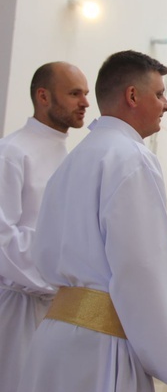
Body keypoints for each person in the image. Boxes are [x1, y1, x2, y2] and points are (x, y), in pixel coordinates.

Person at [17, 50, 167, 391]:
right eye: (159, 94)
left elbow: (42, 251)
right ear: (132, 96)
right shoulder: (131, 157)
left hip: (53, 336)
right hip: (102, 345)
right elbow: (142, 268)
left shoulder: (75, 159)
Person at [0, 61, 89, 392]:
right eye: (74, 93)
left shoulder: (70, 157)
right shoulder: (12, 153)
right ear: (43, 96)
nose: (85, 103)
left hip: (59, 304)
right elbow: (2, 237)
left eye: (86, 94)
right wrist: (57, 277)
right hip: (16, 305)